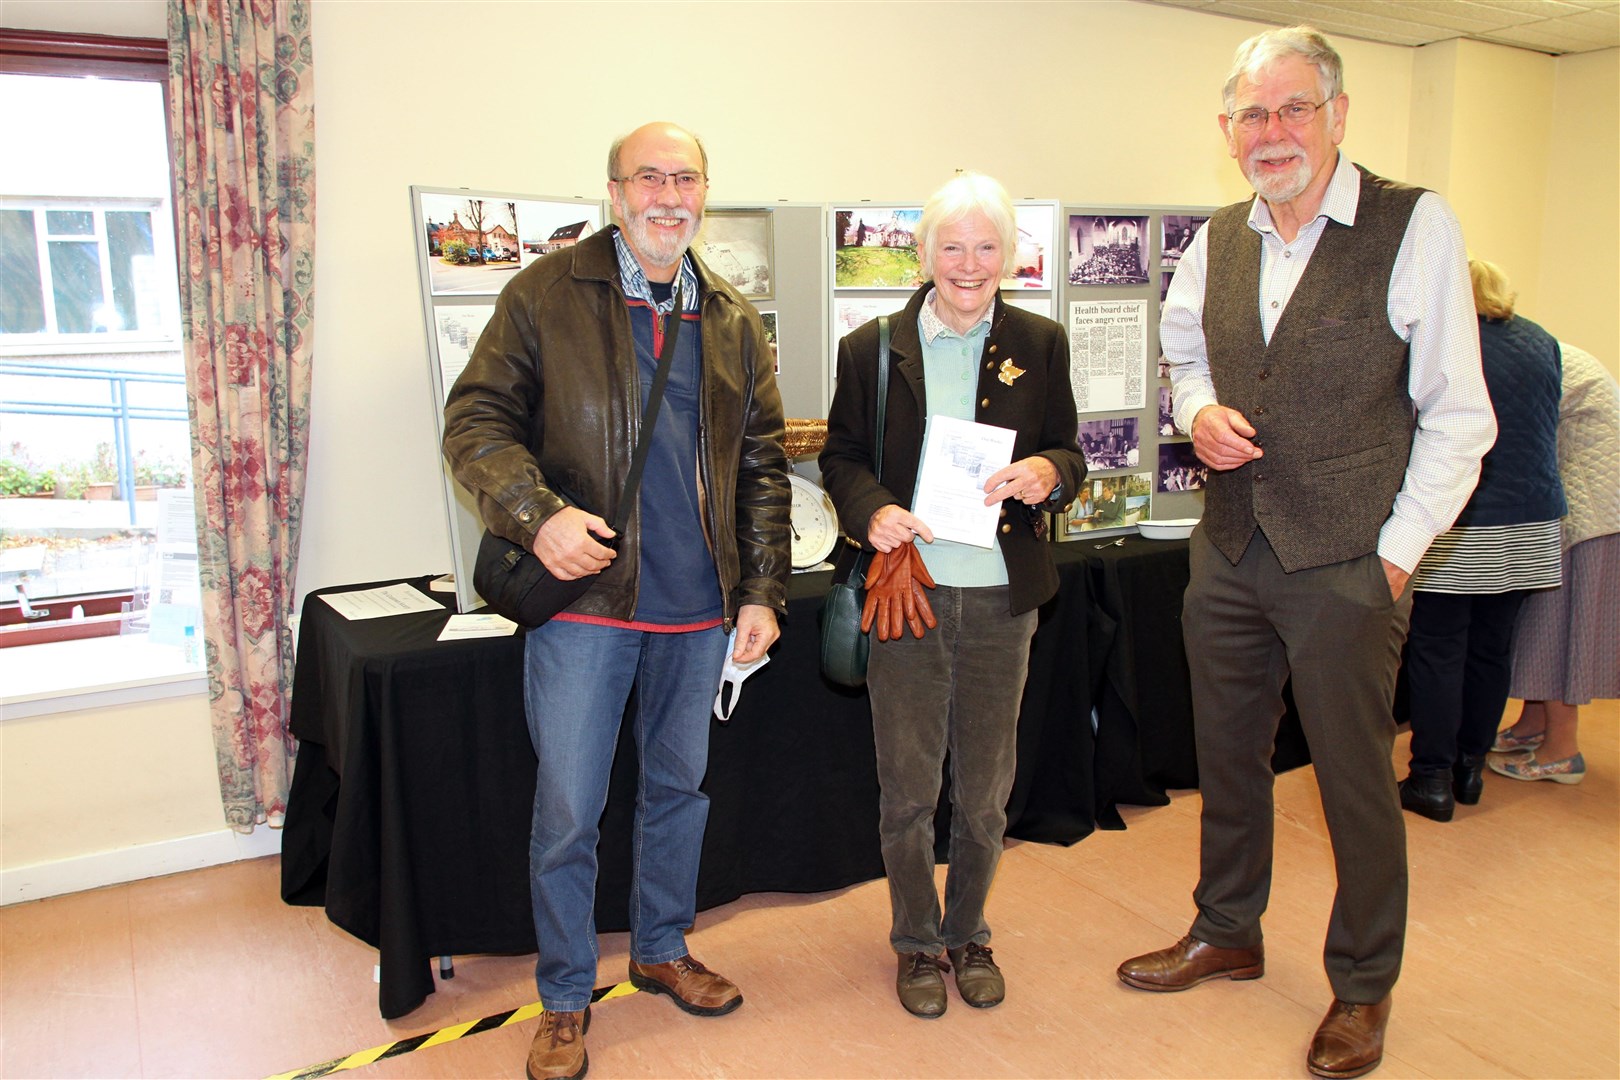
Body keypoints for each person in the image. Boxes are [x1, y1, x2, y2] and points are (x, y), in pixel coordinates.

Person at [1115, 26, 1495, 1080]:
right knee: (1227, 759)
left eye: (1293, 110)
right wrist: (1198, 411)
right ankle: (1227, 929)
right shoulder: (1222, 239)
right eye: (1252, 114)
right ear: (1226, 130)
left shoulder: (1413, 225)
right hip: (1229, 549)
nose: (1271, 132)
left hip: (1346, 559)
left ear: (1337, 116)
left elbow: (1461, 416)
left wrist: (1396, 554)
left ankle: (1363, 988)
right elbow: (1179, 353)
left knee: (1353, 783)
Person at [441, 121, 789, 1080]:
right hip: (587, 604)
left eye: (686, 178)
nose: (668, 194)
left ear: (704, 193)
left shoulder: (729, 316)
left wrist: (761, 590)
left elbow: (762, 467)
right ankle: (563, 996)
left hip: (699, 613)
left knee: (680, 792)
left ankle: (662, 947)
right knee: (568, 812)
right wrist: (535, 513)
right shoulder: (543, 294)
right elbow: (474, 420)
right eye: (650, 177)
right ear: (614, 191)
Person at [819, 172, 1085, 1020]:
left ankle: (968, 931)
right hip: (911, 596)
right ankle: (915, 942)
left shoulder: (1041, 344)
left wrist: (1049, 472)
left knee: (983, 790)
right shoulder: (872, 349)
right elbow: (841, 457)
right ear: (924, 252)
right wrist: (875, 510)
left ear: (1008, 254)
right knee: (906, 787)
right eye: (951, 245)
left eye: (985, 246)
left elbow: (1069, 454)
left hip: (1004, 601)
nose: (968, 263)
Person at [1396, 258, 1564, 821]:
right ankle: (1470, 769)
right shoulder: (1542, 341)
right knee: (1492, 651)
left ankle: (1431, 778)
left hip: (1466, 520)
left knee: (1438, 648)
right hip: (1534, 522)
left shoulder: (1454, 348)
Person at [1491, 340, 1620, 783]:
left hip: (1588, 507)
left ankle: (1562, 749)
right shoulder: (1540, 346)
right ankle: (1534, 724)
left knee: (1557, 627)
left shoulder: (1514, 354)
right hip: (1593, 500)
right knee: (1541, 624)